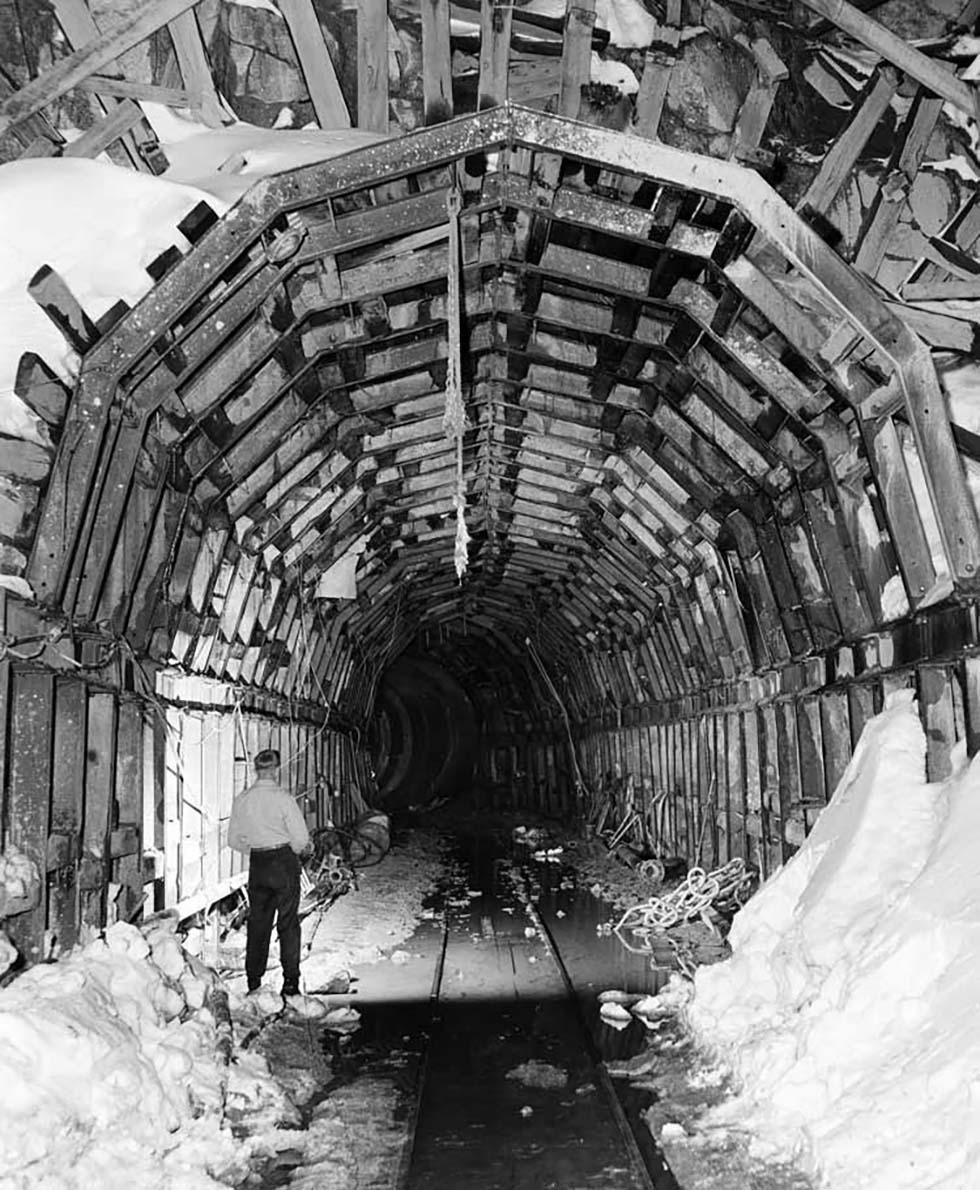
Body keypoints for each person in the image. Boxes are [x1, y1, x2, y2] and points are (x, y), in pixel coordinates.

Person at [228, 748, 319, 1013]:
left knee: (258, 923)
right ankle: (290, 983)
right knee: (288, 922)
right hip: (283, 861)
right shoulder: (284, 799)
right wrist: (293, 849)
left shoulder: (242, 800)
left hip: (259, 864)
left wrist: (258, 849)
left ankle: (254, 980)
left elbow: (233, 840)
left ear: (256, 770)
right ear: (276, 769)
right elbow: (301, 840)